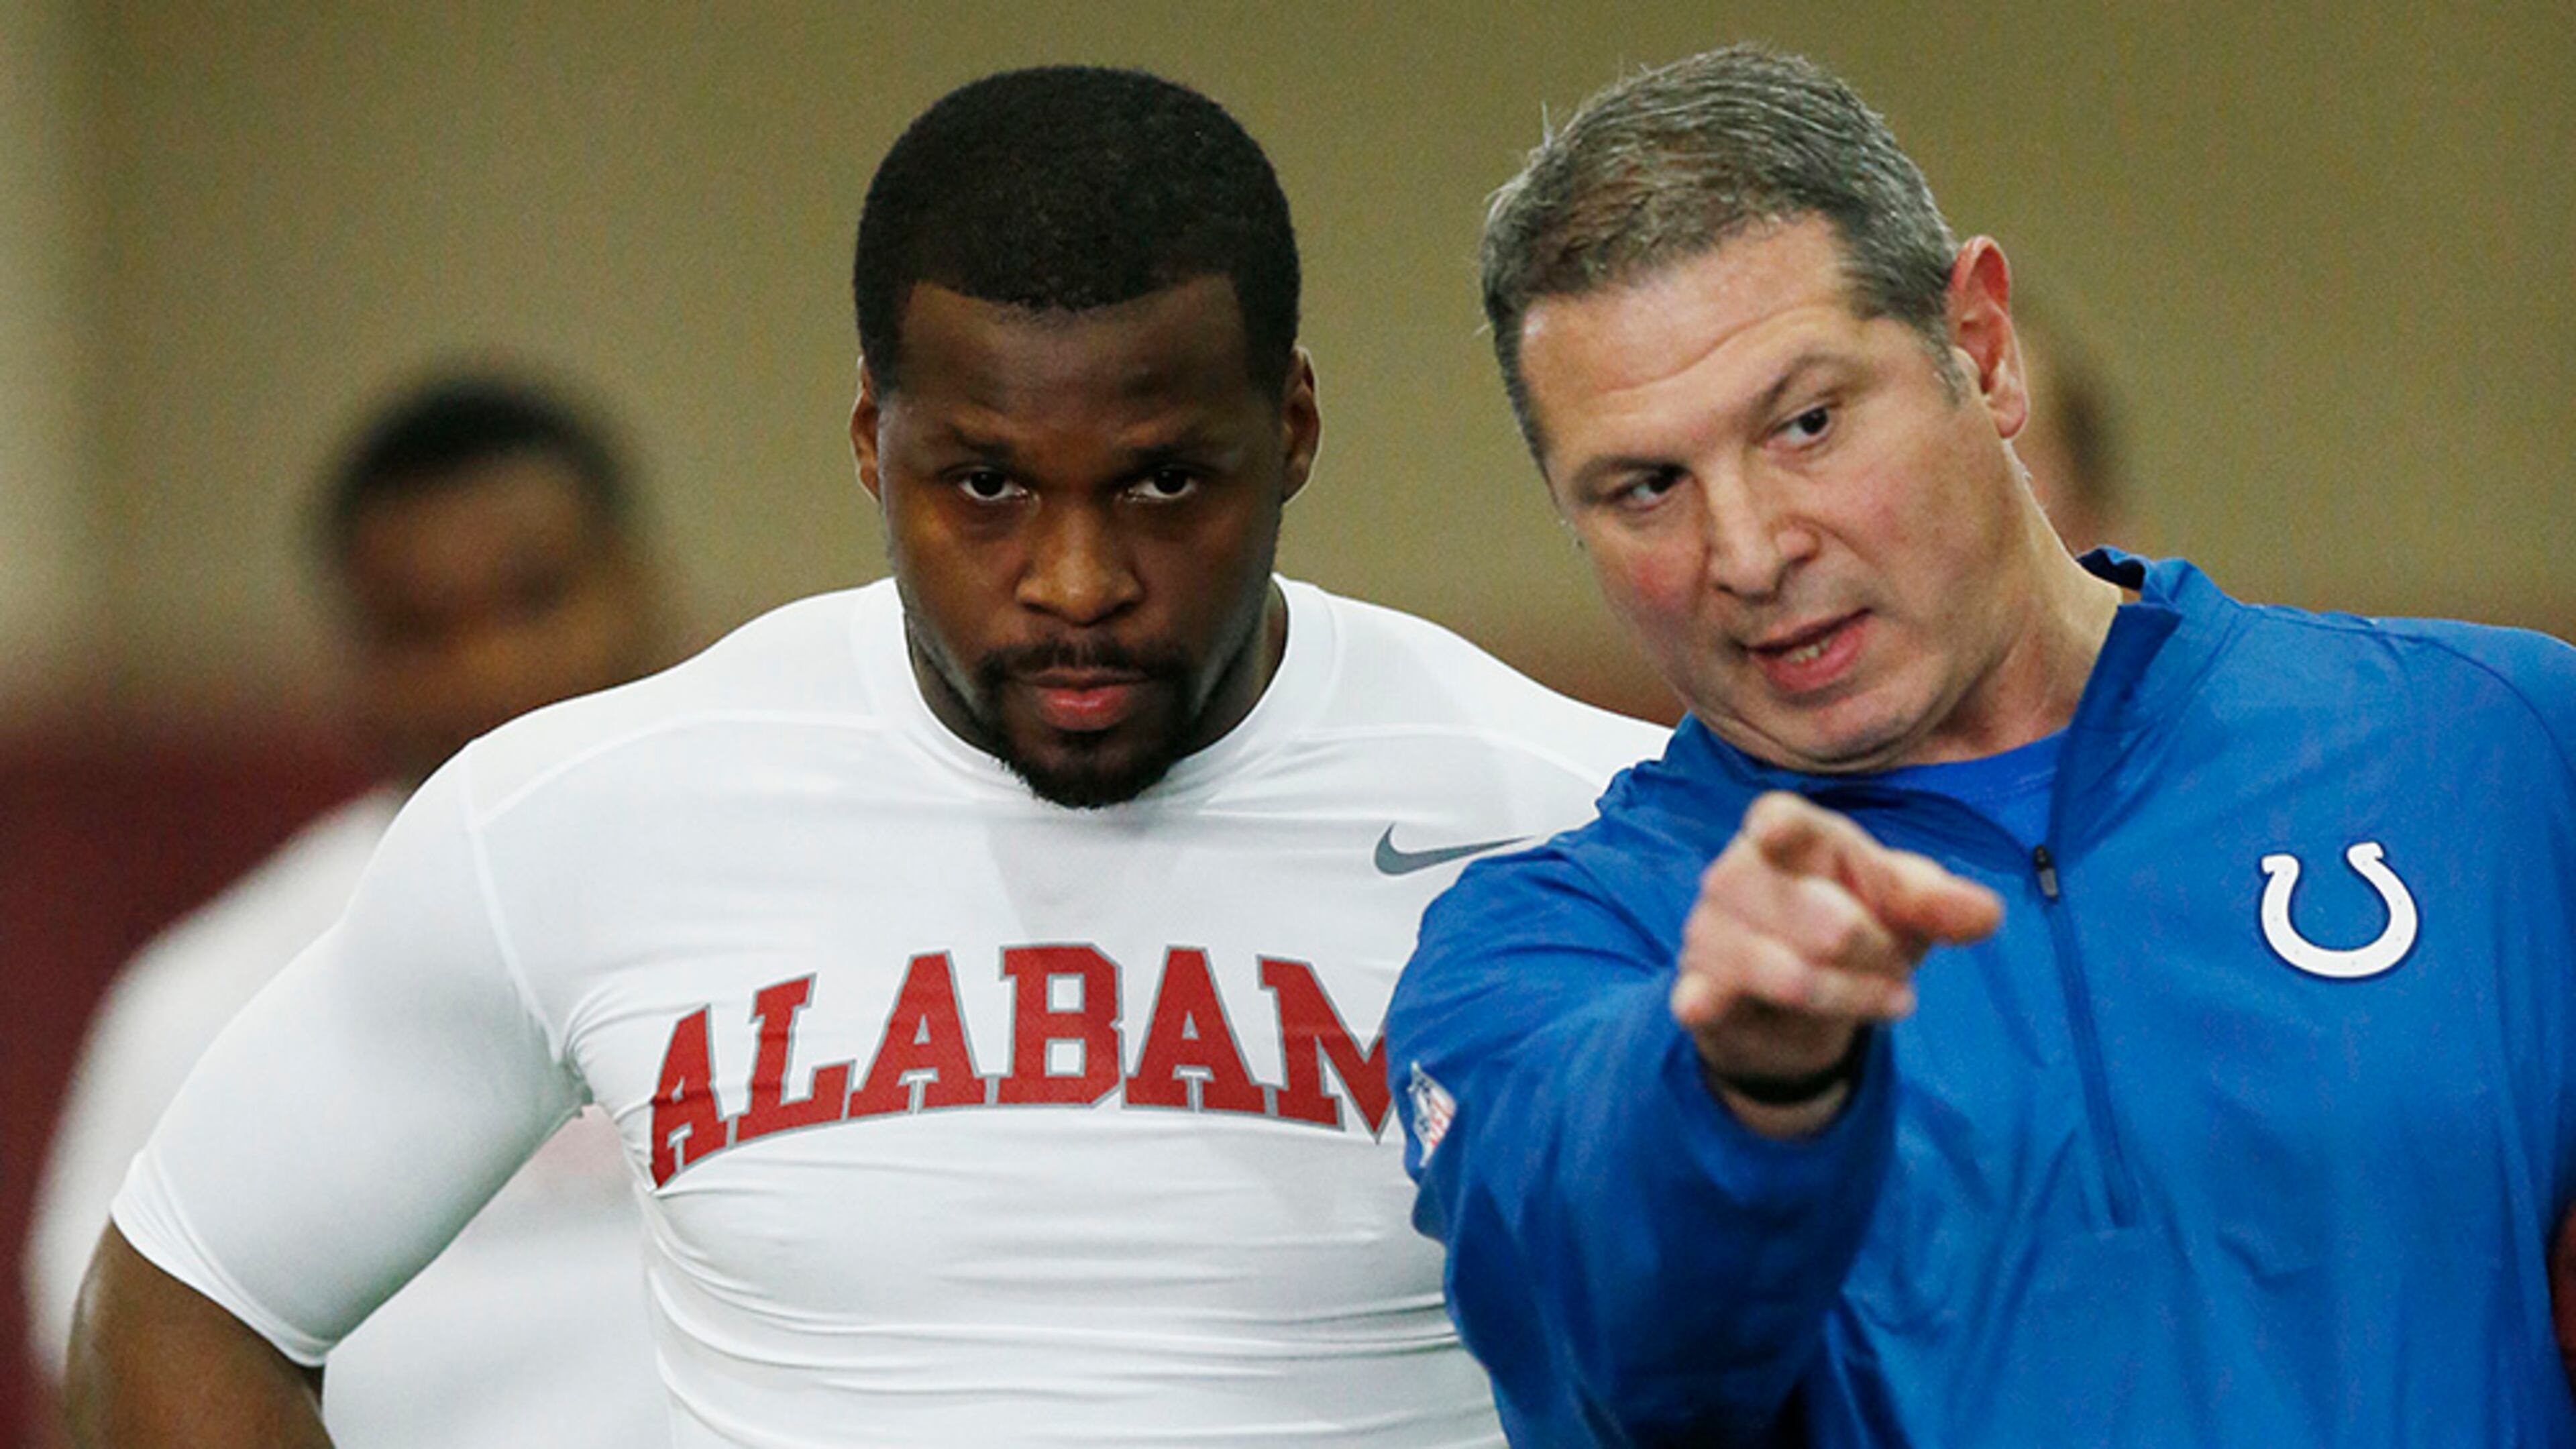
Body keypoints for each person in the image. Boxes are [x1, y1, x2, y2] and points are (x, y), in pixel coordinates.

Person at [64, 67, 1662, 1448]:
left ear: (1294, 431)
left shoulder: (1576, 821)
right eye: (983, 487)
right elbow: (181, 1305)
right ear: (869, 449)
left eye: (1168, 485)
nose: (1078, 579)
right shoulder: (585, 818)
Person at [1389, 43, 2576, 1446]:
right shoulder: (1554, 956)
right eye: (1646, 487)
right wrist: (1743, 1085)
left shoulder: (2495, 748)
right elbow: (1613, 1354)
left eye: (1808, 423)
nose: (1752, 551)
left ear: (1986, 353)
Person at [28, 375, 677, 1447]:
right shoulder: (213, 1001)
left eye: (536, 601)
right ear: (350, 657)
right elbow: (104, 1389)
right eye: (421, 631)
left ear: (644, 589)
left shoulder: (812, 909)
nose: (492, 669)